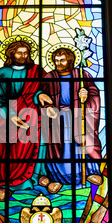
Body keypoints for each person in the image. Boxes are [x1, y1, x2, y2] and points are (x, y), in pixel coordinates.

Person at [0, 40, 57, 201]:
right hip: (10, 116)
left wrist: (39, 95)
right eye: (20, 53)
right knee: (11, 151)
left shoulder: (36, 70)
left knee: (39, 145)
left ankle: (39, 177)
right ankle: (6, 184)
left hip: (34, 114)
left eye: (26, 53)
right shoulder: (3, 73)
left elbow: (43, 89)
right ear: (11, 53)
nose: (23, 56)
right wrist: (10, 114)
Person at [42, 47, 103, 192]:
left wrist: (87, 95)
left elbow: (94, 92)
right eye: (55, 60)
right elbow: (42, 97)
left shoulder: (82, 74)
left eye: (62, 60)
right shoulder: (49, 77)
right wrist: (48, 106)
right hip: (57, 117)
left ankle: (88, 172)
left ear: (70, 60)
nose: (58, 63)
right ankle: (58, 178)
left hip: (79, 115)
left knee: (81, 141)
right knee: (59, 147)